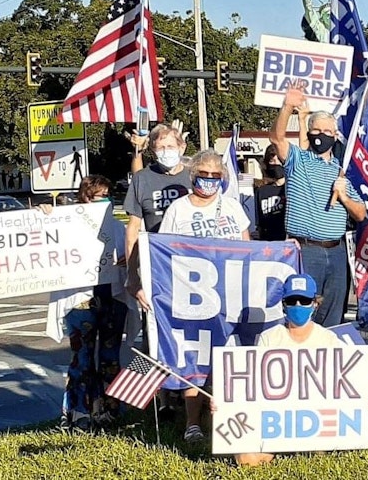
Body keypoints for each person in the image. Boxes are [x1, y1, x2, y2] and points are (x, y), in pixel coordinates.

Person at [223, 273, 368, 467]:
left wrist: (366, 399)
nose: (297, 305)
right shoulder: (268, 338)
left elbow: (350, 383)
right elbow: (253, 386)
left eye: (304, 300)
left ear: (315, 304)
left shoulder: (329, 339)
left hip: (317, 422)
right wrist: (225, 404)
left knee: (318, 456)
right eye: (291, 300)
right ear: (283, 305)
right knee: (246, 459)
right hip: (276, 423)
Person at [158, 149, 251, 443]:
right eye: (204, 175)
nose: (209, 180)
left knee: (231, 358)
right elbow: (164, 251)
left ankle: (228, 417)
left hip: (231, 296)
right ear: (193, 174)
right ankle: (192, 423)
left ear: (222, 178)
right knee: (195, 361)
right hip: (193, 298)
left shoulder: (234, 207)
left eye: (215, 176)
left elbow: (248, 249)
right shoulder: (178, 209)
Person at [269, 84, 367, 328]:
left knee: (334, 312)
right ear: (309, 133)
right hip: (306, 249)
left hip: (336, 251)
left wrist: (344, 197)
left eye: (327, 131)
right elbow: (276, 138)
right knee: (301, 309)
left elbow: (361, 213)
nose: (321, 135)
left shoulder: (341, 171)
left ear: (335, 136)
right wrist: (288, 106)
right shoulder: (297, 160)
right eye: (316, 130)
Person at [47, 176, 129, 431]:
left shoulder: (118, 228)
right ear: (85, 198)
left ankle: (110, 411)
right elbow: (42, 233)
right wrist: (44, 213)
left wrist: (129, 260)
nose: (104, 200)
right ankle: (79, 412)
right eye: (97, 196)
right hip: (81, 301)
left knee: (110, 358)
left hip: (112, 298)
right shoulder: (67, 225)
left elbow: (130, 256)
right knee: (81, 359)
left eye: (108, 195)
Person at [126, 123, 192, 309]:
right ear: (153, 150)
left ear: (182, 147)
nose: (166, 151)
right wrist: (132, 277)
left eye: (170, 146)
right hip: (157, 264)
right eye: (161, 147)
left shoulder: (194, 177)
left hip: (192, 260)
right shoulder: (143, 179)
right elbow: (133, 229)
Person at [254, 144, 287, 241]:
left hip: (287, 243)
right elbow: (259, 222)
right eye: (272, 161)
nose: (276, 164)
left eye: (279, 160)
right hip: (268, 244)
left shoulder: (293, 188)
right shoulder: (261, 191)